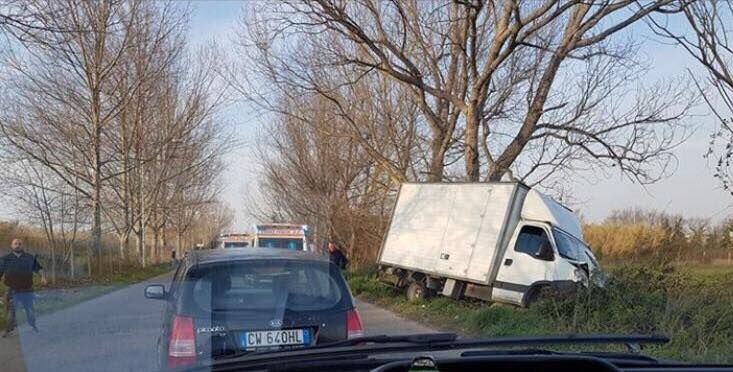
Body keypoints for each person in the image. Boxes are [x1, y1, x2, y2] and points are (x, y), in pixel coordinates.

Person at [0, 238, 46, 337]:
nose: (18, 245)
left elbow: (38, 268)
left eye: (20, 244)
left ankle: (33, 325)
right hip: (11, 290)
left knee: (30, 310)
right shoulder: (5, 259)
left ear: (22, 246)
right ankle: (9, 330)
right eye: (15, 243)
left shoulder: (30, 257)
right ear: (11, 246)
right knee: (10, 312)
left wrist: (43, 277)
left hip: (27, 289)